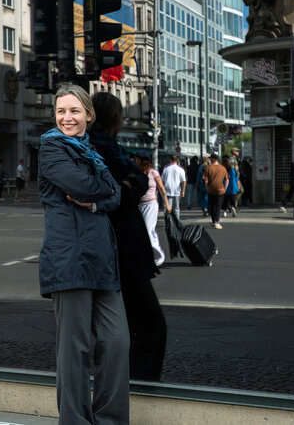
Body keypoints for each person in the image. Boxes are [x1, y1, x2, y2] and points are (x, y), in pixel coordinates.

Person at [38, 83, 129, 424]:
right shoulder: (52, 149)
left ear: (89, 115)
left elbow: (114, 194)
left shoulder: (91, 151)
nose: (67, 118)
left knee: (116, 342)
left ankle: (110, 420)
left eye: (75, 111)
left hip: (102, 260)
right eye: (61, 111)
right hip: (70, 259)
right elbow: (88, 186)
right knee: (74, 350)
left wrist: (96, 198)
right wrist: (99, 195)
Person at [90, 92, 167, 382]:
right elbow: (123, 191)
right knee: (149, 324)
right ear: (116, 119)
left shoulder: (111, 150)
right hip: (118, 248)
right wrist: (130, 185)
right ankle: (137, 388)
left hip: (115, 248)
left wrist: (132, 183)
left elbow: (137, 181)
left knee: (123, 325)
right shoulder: (98, 151)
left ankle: (125, 385)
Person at [136, 150, 172, 267]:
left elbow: (161, 189)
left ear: (143, 161)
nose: (136, 160)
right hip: (139, 204)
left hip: (151, 204)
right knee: (145, 231)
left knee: (148, 229)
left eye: (138, 159)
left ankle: (159, 256)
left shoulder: (153, 173)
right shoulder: (136, 172)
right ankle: (149, 256)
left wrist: (167, 204)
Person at [203, 153, 229, 230]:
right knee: (218, 206)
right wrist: (225, 188)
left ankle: (213, 220)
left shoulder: (208, 168)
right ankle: (216, 221)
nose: (210, 160)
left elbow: (206, 180)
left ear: (213, 159)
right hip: (220, 190)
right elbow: (227, 179)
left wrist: (207, 188)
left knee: (212, 205)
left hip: (211, 189)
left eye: (211, 158)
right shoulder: (223, 168)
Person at [161, 154, 186, 220]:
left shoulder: (165, 168)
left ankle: (168, 221)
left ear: (170, 159)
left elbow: (162, 181)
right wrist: (183, 191)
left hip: (167, 190)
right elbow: (183, 181)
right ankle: (177, 222)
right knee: (177, 208)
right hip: (177, 190)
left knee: (168, 208)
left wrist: (161, 189)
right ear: (177, 160)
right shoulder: (181, 169)